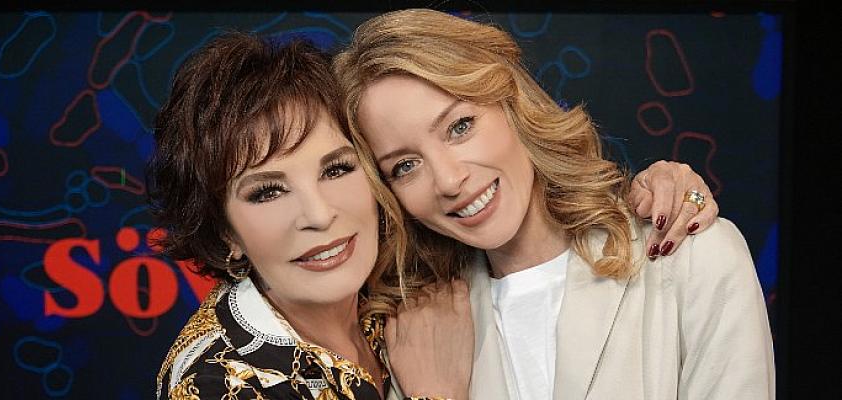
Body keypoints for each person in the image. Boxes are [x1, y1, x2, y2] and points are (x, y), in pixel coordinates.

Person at [150, 29, 719, 400]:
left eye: (336, 168)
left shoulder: (404, 288)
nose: (319, 215)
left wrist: (661, 187)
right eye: (267, 192)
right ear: (224, 232)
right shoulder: (218, 382)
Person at [334, 8, 774, 400]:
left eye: (460, 126)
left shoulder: (693, 257)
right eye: (406, 165)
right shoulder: (416, 330)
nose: (449, 180)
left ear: (512, 102)